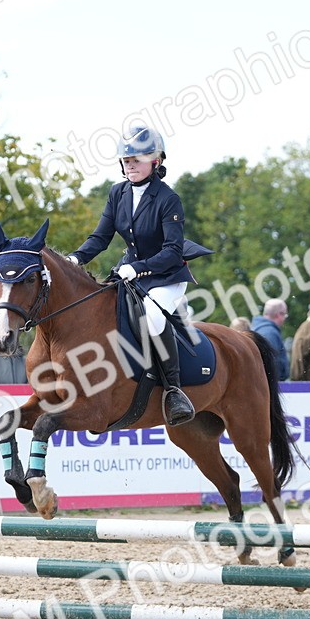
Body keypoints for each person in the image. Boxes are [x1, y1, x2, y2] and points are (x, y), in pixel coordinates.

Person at [68, 123, 195, 426]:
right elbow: (100, 238)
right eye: (127, 161)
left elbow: (172, 251)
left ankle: (174, 390)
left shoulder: (168, 199)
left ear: (156, 161)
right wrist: (74, 258)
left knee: (152, 316)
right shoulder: (117, 193)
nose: (130, 166)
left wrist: (137, 268)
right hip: (131, 274)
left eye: (137, 160)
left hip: (166, 276)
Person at [251, 300, 289, 381]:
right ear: (279, 314)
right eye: (285, 315)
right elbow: (270, 365)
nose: (284, 319)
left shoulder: (258, 329)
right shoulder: (270, 333)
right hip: (270, 383)